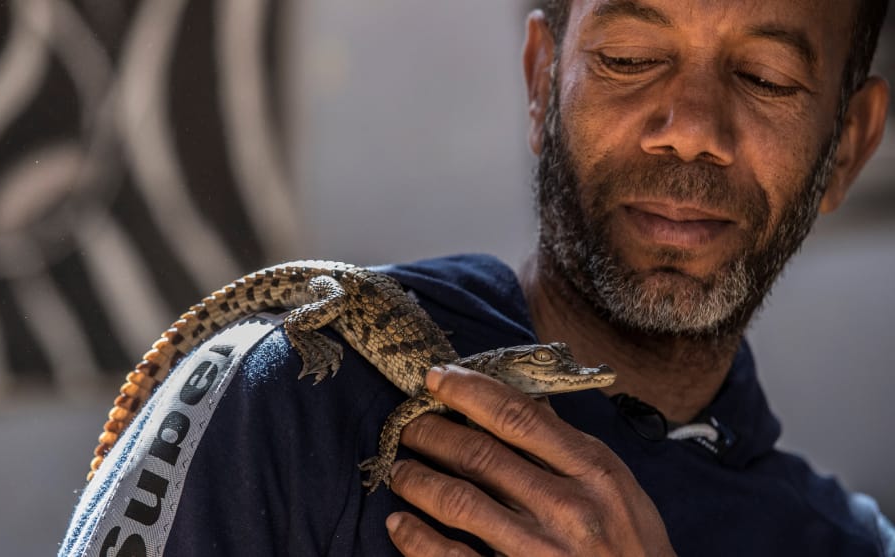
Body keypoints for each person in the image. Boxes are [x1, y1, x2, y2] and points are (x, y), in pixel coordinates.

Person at [61, 0, 894, 555]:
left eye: (766, 79)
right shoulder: (276, 393)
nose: (691, 130)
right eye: (632, 57)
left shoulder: (845, 542)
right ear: (540, 84)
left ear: (848, 146)